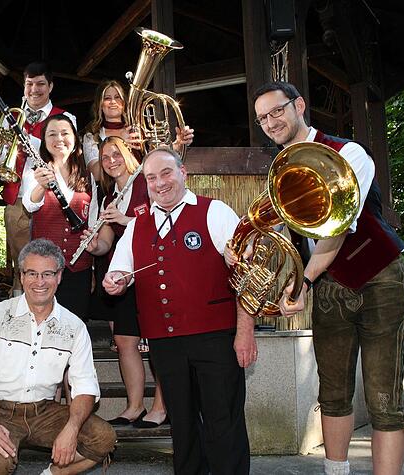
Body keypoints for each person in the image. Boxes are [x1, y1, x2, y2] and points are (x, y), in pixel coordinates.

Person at [251, 81, 404, 475]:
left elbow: (337, 226)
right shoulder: (280, 169)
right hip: (329, 286)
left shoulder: (350, 152)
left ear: (299, 105)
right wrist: (248, 243)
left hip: (380, 278)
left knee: (383, 400)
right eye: (262, 118)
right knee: (333, 393)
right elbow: (288, 231)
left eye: (277, 111)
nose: (271, 122)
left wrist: (302, 282)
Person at [102, 147, 255, 474]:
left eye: (166, 173)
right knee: (183, 427)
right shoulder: (136, 227)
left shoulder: (215, 212)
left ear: (183, 172)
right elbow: (117, 273)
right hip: (164, 343)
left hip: (215, 338)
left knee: (223, 423)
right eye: (152, 178)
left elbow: (247, 275)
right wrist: (114, 281)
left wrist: (245, 333)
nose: (160, 183)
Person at [0, 239, 117, 475]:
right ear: (22, 275)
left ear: (59, 276)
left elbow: (85, 386)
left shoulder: (74, 326)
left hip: (44, 412)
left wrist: (71, 428)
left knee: (104, 437)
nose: (39, 282)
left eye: (47, 274)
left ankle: (52, 474)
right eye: (32, 273)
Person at [83, 136, 167, 428]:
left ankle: (160, 407)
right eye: (105, 157)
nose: (111, 161)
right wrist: (94, 246)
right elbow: (107, 242)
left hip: (152, 272)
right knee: (124, 340)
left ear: (128, 155)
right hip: (123, 276)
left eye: (116, 154)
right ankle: (134, 407)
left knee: (157, 341)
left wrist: (125, 218)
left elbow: (162, 223)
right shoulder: (109, 197)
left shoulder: (146, 183)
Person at [0, 62, 77, 295]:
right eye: (29, 84)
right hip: (17, 199)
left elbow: (65, 152)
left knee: (49, 260)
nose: (34, 89)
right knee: (22, 263)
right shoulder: (11, 118)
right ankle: (20, 307)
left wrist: (29, 140)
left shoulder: (66, 118)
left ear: (50, 87)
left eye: (40, 84)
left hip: (50, 199)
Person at [21, 114, 98, 321]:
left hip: (78, 266)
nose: (59, 139)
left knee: (75, 326)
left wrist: (90, 267)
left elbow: (92, 220)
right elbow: (29, 204)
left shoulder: (87, 174)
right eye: (52, 134)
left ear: (74, 138)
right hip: (44, 269)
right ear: (45, 141)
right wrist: (41, 185)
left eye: (65, 133)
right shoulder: (35, 170)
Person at [82, 80, 195, 180]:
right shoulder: (92, 136)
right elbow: (95, 174)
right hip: (112, 195)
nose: (113, 102)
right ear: (100, 104)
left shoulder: (138, 127)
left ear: (124, 103)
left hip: (144, 190)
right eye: (107, 98)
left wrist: (178, 144)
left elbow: (158, 155)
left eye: (117, 97)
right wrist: (122, 144)